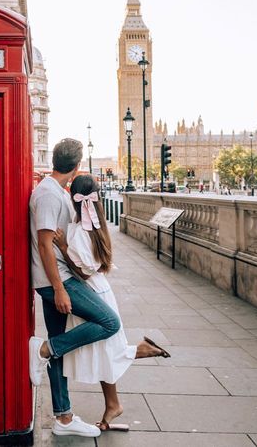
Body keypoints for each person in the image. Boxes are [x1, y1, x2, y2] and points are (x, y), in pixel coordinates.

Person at [53, 174, 171, 432]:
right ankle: (114, 402)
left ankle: (140, 354)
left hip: (91, 293)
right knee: (104, 351)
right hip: (100, 291)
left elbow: (84, 272)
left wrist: (63, 248)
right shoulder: (94, 224)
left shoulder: (82, 230)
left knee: (104, 351)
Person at [29, 138, 122, 438]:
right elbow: (44, 245)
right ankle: (43, 348)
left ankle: (63, 417)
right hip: (57, 279)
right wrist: (58, 289)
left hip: (58, 276)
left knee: (59, 342)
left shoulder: (56, 192)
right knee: (109, 322)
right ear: (77, 165)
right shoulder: (48, 194)